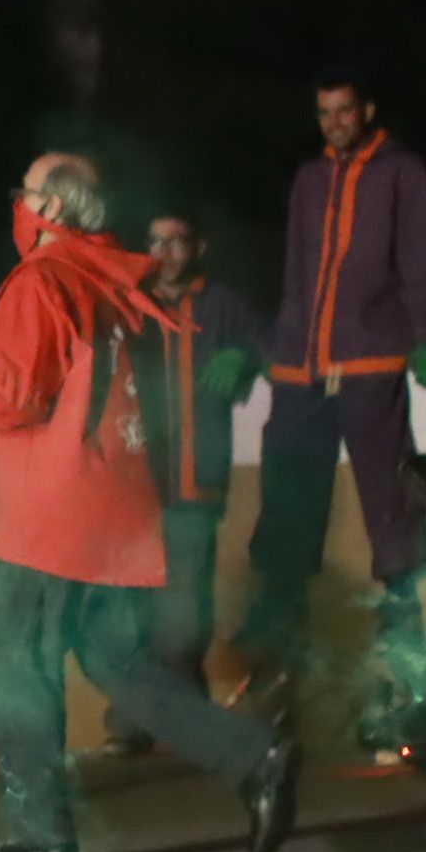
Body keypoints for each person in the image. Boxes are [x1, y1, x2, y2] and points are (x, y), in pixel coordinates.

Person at [0, 152, 299, 852]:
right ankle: (254, 753)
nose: (17, 203)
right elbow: (65, 372)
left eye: (24, 192)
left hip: (48, 515)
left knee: (17, 661)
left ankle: (38, 832)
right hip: (115, 507)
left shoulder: (39, 280)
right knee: (117, 660)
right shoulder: (107, 277)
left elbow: (13, 400)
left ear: (50, 209)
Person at [229, 71, 426, 730]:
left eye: (345, 111)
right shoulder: (310, 179)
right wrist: (278, 346)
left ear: (367, 109)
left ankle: (403, 688)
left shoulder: (402, 172)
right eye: (325, 113)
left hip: (370, 362)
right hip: (302, 369)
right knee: (286, 522)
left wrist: (422, 336)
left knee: (392, 523)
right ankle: (280, 680)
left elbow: (420, 260)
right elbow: (294, 269)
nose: (335, 122)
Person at [101, 210, 261, 754]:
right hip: (133, 484)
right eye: (156, 241)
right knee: (131, 606)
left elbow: (267, 347)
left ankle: (179, 720)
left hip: (195, 483)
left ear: (199, 247)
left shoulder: (223, 306)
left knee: (185, 607)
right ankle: (140, 722)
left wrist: (245, 357)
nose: (165, 251)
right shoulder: (127, 303)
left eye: (177, 241)